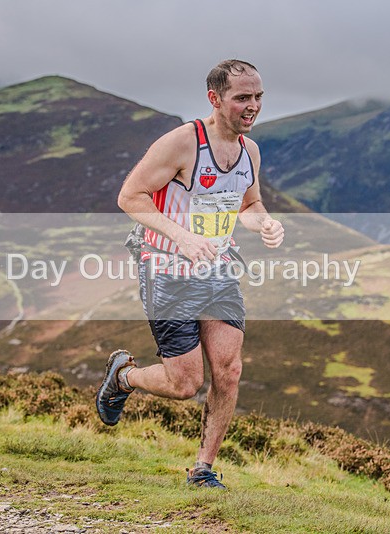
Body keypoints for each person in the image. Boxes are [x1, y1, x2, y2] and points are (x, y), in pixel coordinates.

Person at [97, 60, 284, 488]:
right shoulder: (182, 143)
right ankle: (123, 377)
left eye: (258, 97)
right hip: (168, 270)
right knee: (185, 384)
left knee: (229, 370)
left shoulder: (250, 151)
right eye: (242, 98)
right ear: (214, 99)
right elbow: (130, 196)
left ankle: (202, 470)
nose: (253, 106)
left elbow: (249, 204)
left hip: (219, 271)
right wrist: (181, 236)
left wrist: (265, 223)